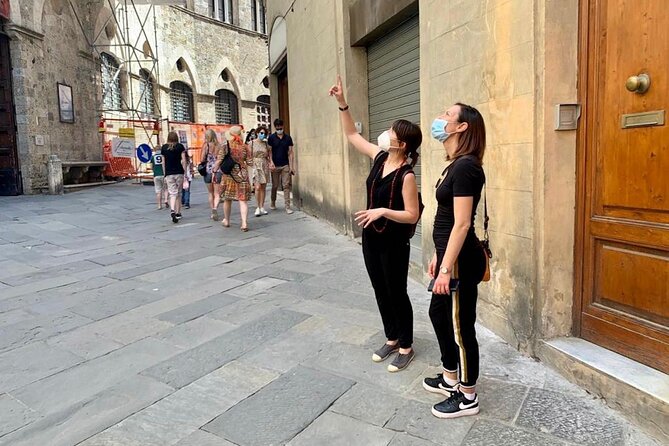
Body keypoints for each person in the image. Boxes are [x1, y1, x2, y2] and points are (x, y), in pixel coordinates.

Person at [329, 74, 422, 372]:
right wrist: (343, 104)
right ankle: (391, 337)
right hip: (372, 237)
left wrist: (382, 210)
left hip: (394, 241)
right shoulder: (380, 158)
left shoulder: (407, 175)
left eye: (391, 131)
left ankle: (406, 345)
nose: (385, 133)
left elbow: (412, 215)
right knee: (379, 288)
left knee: (397, 291)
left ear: (402, 143)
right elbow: (352, 137)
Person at [422, 103, 488, 419]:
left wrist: (447, 267)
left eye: (448, 115)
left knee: (461, 327)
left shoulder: (467, 168)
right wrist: (438, 254)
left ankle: (468, 395)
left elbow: (462, 224)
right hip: (449, 255)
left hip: (461, 261)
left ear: (462, 127)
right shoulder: (454, 164)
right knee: (438, 313)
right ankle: (450, 377)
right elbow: (446, 218)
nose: (441, 118)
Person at [214, 125, 251, 231]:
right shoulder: (245, 147)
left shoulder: (225, 145)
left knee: (227, 199)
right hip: (242, 176)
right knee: (242, 200)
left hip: (228, 176)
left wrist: (214, 169)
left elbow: (219, 159)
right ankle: (244, 223)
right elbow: (249, 162)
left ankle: (227, 220)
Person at [267, 118, 295, 214]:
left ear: (283, 126)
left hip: (285, 165)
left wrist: (291, 166)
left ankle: (287, 206)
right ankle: (273, 201)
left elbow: (290, 152)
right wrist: (271, 162)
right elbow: (269, 151)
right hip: (275, 165)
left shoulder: (288, 138)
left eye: (280, 126)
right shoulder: (271, 138)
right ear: (275, 127)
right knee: (275, 185)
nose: (279, 128)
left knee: (286, 185)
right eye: (277, 127)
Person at [162, 131, 188, 223]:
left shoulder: (164, 148)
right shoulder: (180, 147)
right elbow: (184, 160)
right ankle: (178, 212)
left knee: (172, 193)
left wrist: (165, 174)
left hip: (169, 173)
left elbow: (163, 162)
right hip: (179, 172)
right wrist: (184, 172)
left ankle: (172, 210)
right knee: (179, 193)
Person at [249, 125, 271, 216]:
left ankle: (262, 206)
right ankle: (257, 207)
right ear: (257, 133)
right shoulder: (251, 143)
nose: (263, 135)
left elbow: (269, 154)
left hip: (264, 164)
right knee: (257, 187)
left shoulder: (266, 144)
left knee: (263, 187)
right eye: (261, 133)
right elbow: (249, 156)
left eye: (264, 133)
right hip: (255, 165)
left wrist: (271, 163)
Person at [202, 129, 222, 220]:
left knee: (210, 192)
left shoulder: (205, 146)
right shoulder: (219, 146)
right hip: (217, 170)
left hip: (208, 171)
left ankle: (212, 211)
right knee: (217, 193)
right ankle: (215, 208)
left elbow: (202, 159)